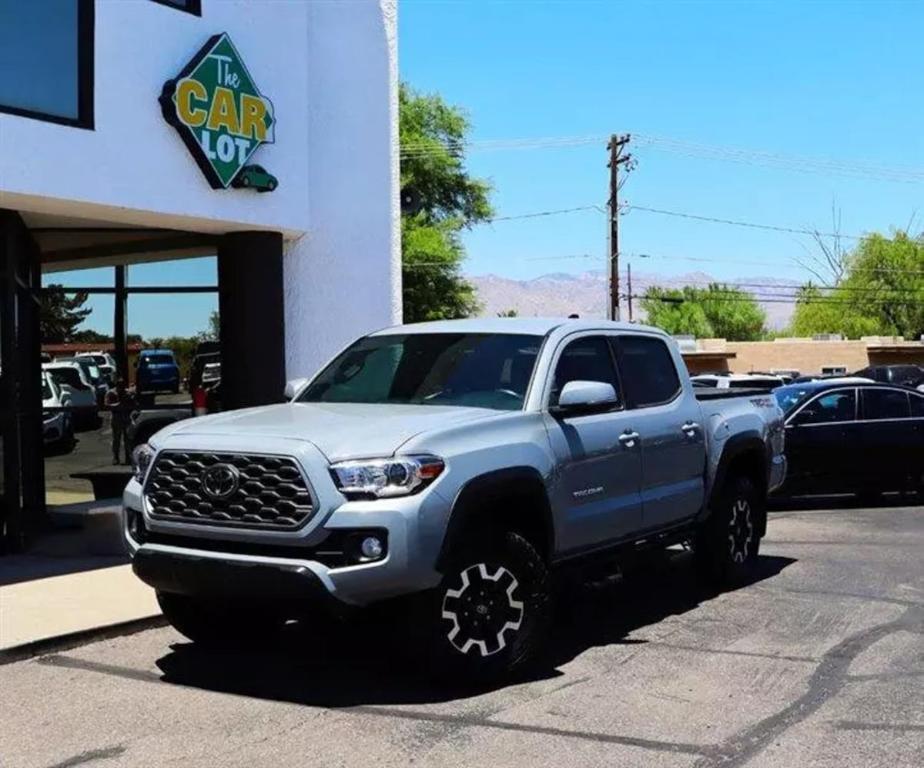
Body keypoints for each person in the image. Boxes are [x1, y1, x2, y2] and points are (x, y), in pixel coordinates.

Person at [104, 378, 135, 465]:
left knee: (128, 440)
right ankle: (116, 457)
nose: (121, 387)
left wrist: (130, 398)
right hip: (116, 417)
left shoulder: (128, 393)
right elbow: (106, 405)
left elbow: (134, 404)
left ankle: (128, 457)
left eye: (123, 385)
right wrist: (118, 404)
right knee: (116, 439)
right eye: (119, 385)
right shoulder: (111, 393)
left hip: (126, 417)